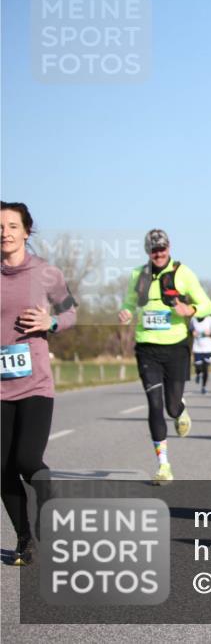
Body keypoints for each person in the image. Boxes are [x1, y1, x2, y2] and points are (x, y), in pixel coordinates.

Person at [1, 202, 77, 565]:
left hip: (34, 384)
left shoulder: (46, 273)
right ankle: (25, 539)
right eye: (0, 227)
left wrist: (52, 322)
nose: (5, 232)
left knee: (27, 458)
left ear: (26, 231)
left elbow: (71, 310)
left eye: (12, 226)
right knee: (1, 467)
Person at [120, 229, 211, 485]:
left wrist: (190, 309)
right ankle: (163, 465)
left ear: (169, 247)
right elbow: (129, 303)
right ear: (147, 251)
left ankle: (180, 410)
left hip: (176, 348)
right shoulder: (138, 275)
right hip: (147, 347)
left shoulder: (183, 273)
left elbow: (208, 305)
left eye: (162, 249)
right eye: (154, 250)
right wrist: (126, 313)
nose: (158, 254)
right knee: (154, 405)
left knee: (171, 407)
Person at [190, 314, 211, 395]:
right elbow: (190, 330)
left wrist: (210, 333)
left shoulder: (210, 319)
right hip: (197, 347)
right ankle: (198, 373)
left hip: (208, 348)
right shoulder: (193, 319)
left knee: (205, 368)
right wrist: (192, 332)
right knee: (198, 366)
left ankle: (204, 387)